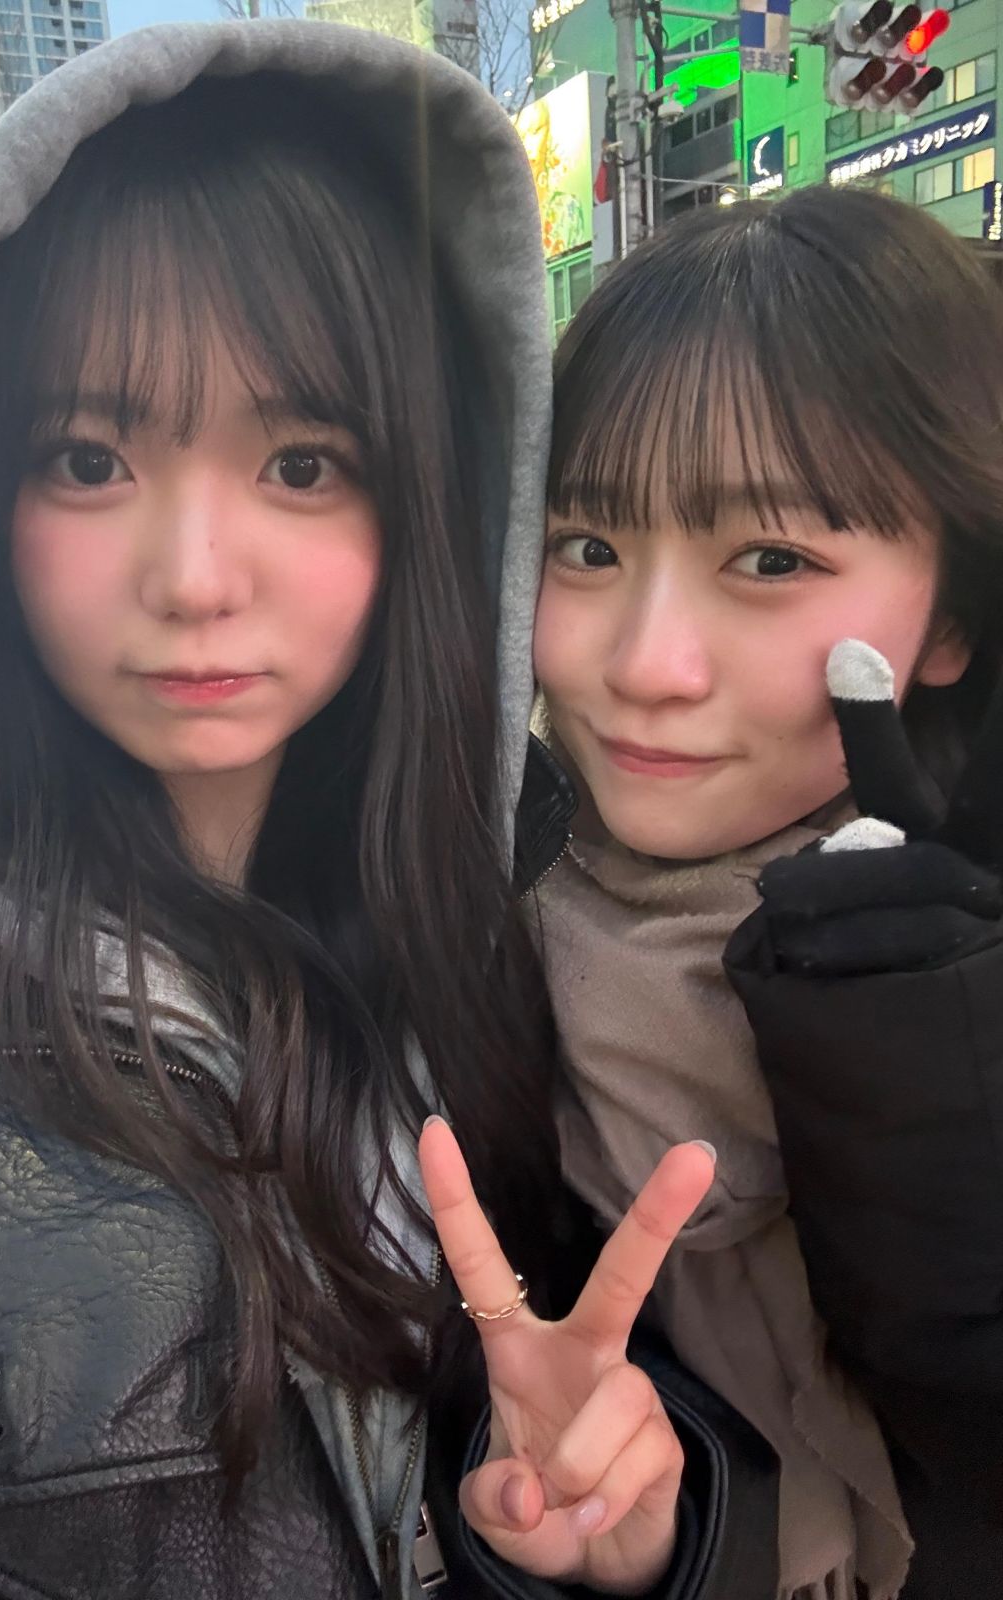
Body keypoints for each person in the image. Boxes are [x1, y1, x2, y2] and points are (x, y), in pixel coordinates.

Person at [0, 22, 776, 1600]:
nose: (196, 579)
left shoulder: (522, 899)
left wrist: (621, 1534)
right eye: (90, 458)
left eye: (304, 464)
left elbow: (612, 1400)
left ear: (425, 497)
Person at [531, 182, 1003, 1600]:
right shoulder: (460, 909)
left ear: (951, 616)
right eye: (587, 547)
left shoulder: (962, 954)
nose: (648, 665)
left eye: (772, 559)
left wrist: (925, 1061)